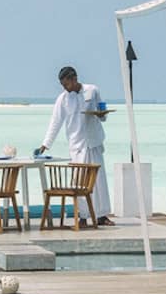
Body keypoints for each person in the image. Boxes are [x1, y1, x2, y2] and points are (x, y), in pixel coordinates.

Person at [37, 65, 112, 223]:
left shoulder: (92, 90)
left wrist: (101, 115)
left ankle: (102, 215)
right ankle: (82, 216)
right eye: (63, 85)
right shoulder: (63, 99)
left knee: (99, 180)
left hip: (94, 141)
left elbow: (102, 112)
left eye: (67, 84)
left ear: (74, 79)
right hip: (77, 144)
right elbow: (55, 122)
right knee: (79, 181)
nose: (65, 88)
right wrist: (45, 144)